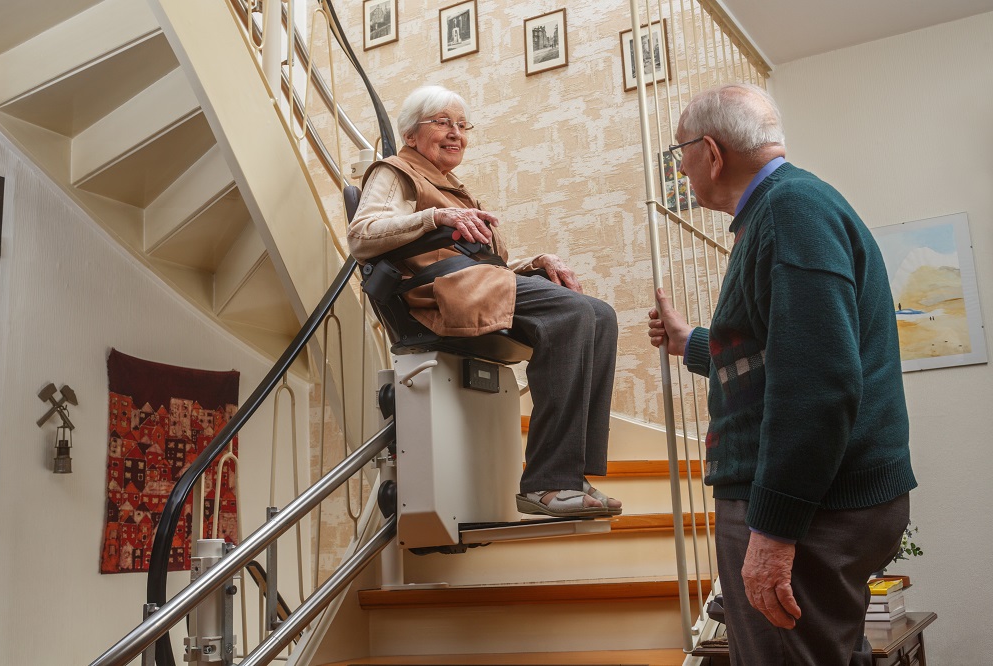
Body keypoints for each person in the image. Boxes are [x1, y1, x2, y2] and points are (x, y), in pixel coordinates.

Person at [646, 83, 917, 665]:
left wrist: (773, 531)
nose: (681, 166)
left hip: (815, 506)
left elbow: (817, 387)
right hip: (824, 498)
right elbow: (778, 357)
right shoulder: (788, 210)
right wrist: (689, 342)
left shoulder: (790, 212)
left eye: (681, 151)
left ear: (712, 153)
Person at [349, 84, 620, 519]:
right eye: (442, 123)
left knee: (600, 315)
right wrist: (434, 216)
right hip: (441, 292)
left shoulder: (455, 188)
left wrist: (537, 262)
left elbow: (490, 264)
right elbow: (361, 234)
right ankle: (548, 484)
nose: (455, 133)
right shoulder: (395, 171)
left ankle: (571, 476)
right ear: (412, 134)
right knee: (571, 313)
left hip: (476, 282)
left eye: (462, 125)